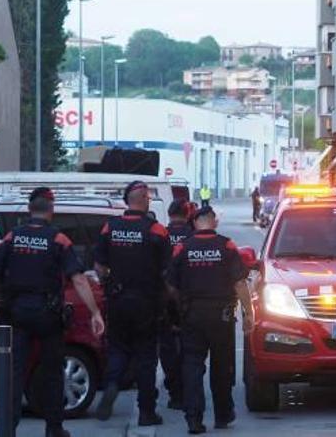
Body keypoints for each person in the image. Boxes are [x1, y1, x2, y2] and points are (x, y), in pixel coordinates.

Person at [0, 188, 105, 437]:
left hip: (16, 312)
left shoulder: (12, 237)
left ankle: (8, 428)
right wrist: (95, 312)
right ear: (51, 211)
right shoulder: (58, 240)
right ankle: (54, 428)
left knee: (13, 372)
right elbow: (80, 280)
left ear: (30, 210)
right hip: (47, 314)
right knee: (52, 372)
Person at [168, 206, 255, 434]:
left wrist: (179, 310)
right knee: (222, 366)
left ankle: (194, 419)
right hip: (222, 316)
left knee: (192, 366)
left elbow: (171, 285)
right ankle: (223, 415)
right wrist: (249, 313)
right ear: (214, 222)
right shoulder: (226, 245)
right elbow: (240, 283)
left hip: (192, 315)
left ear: (195, 223)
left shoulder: (182, 248)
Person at [94, 181, 172, 426]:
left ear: (128, 201)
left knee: (118, 349)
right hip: (146, 303)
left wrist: (108, 282)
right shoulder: (156, 230)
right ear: (145, 199)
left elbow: (99, 265)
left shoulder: (111, 227)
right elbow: (167, 273)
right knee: (146, 358)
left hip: (117, 300)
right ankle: (147, 412)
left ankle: (113, 383)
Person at [160, 199, 194, 411]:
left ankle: (175, 393)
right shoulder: (193, 236)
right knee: (191, 349)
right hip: (189, 300)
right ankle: (189, 390)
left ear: (170, 214)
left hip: (163, 298)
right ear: (187, 214)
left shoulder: (161, 234)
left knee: (167, 348)